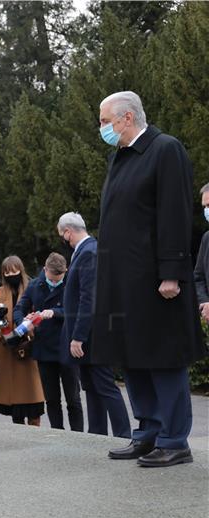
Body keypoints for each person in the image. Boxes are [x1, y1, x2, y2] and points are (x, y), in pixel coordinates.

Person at [93, 91, 205, 467]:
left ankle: (174, 439)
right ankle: (147, 433)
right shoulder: (120, 158)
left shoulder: (165, 150)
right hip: (124, 280)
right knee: (134, 357)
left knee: (163, 358)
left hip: (155, 280)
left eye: (105, 120)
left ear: (127, 118)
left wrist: (171, 272)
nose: (102, 127)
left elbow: (174, 213)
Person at [58, 212, 130, 438]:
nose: (63, 239)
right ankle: (96, 434)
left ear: (68, 231)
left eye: (62, 234)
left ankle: (123, 434)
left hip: (92, 336)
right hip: (90, 334)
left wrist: (78, 336)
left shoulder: (88, 252)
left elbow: (88, 299)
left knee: (105, 387)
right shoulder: (86, 251)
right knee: (91, 387)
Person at [14, 253, 83, 431]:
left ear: (66, 271)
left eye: (58, 278)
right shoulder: (35, 285)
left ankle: (78, 435)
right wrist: (23, 320)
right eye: (51, 278)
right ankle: (57, 432)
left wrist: (55, 312)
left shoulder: (72, 283)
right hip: (44, 348)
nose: (54, 281)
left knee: (73, 399)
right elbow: (19, 307)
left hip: (66, 345)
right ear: (45, 270)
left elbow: (78, 310)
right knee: (51, 399)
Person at [0, 256, 45, 426]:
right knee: (13, 401)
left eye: (14, 270)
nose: (10, 274)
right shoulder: (0, 292)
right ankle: (19, 434)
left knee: (33, 396)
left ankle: (35, 433)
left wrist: (29, 327)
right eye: (6, 271)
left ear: (21, 270)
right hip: (7, 346)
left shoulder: (33, 286)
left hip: (28, 344)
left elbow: (39, 313)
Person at [193, 183, 209, 323]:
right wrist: (205, 302)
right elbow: (198, 277)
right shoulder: (207, 238)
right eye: (204, 207)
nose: (206, 211)